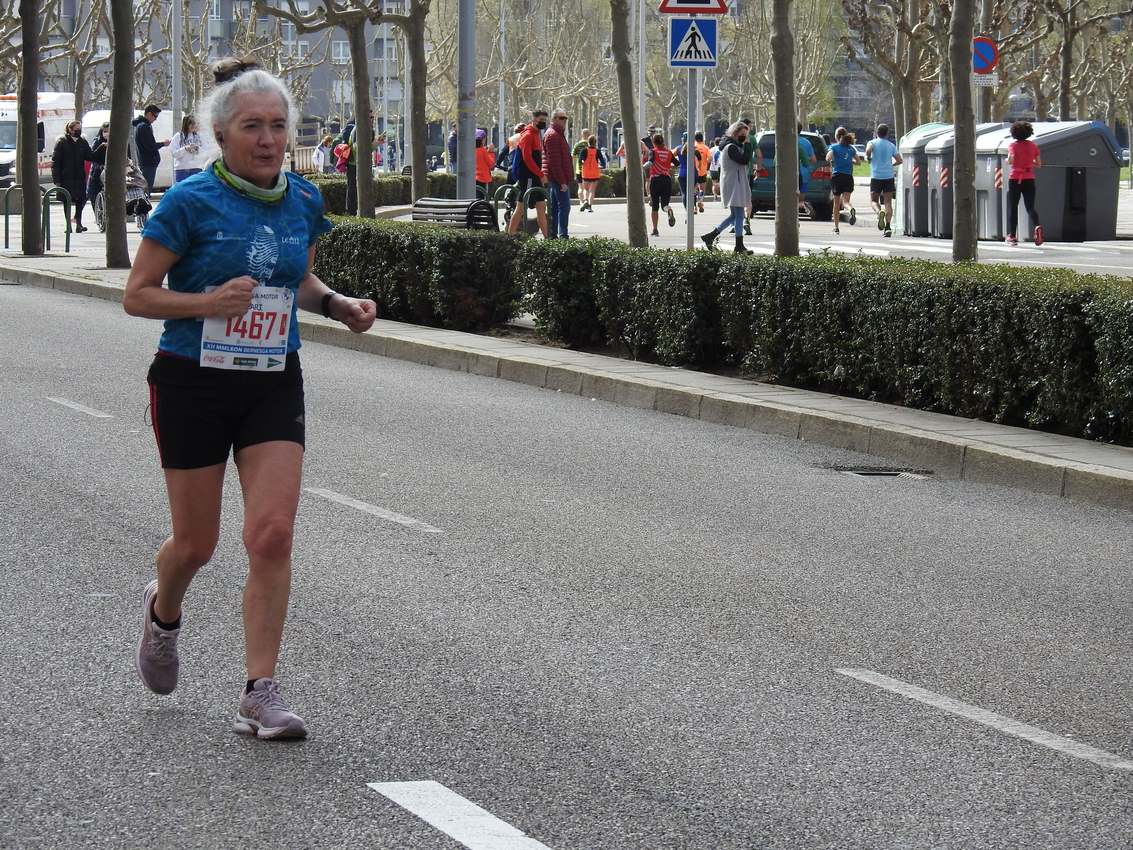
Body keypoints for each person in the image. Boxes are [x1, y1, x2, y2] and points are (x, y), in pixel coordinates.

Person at [122, 57, 377, 742]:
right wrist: (208, 300)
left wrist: (336, 304)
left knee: (271, 534)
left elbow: (297, 282)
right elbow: (137, 294)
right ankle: (163, 612)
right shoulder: (188, 203)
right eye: (251, 127)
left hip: (271, 378)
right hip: (190, 382)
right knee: (195, 545)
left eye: (277, 126)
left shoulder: (302, 199)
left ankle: (258, 692)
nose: (267, 139)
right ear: (221, 133)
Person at [700, 121, 753, 254]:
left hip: (735, 183)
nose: (745, 138)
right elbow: (744, 160)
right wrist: (748, 145)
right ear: (735, 133)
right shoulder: (731, 147)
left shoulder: (731, 146)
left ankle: (711, 236)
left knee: (735, 215)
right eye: (743, 135)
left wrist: (745, 144)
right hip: (734, 184)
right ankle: (739, 246)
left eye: (746, 135)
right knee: (739, 215)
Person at [507, 109, 549, 238]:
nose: (543, 123)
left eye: (544, 120)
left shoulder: (536, 134)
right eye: (541, 120)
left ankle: (548, 238)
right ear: (534, 120)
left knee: (541, 207)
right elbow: (527, 158)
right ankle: (510, 235)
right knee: (520, 208)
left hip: (534, 177)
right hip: (529, 177)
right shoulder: (528, 135)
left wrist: (539, 174)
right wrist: (540, 174)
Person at [1006, 120, 1043, 246]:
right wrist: (1028, 163)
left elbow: (1011, 159)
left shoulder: (1013, 145)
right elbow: (1038, 164)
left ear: (1014, 133)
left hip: (1015, 178)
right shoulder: (1033, 146)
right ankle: (1037, 226)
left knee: (1013, 207)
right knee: (1030, 207)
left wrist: (1008, 160)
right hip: (1029, 178)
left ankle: (1012, 236)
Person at [51, 119, 92, 232]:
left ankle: (78, 223)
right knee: (66, 200)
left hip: (79, 176)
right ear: (70, 130)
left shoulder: (82, 142)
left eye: (80, 129)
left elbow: (90, 156)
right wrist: (57, 180)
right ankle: (68, 225)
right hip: (66, 178)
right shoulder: (61, 142)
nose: (78, 131)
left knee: (80, 200)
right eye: (76, 129)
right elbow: (56, 162)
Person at [865, 123, 902, 237]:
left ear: (877, 133)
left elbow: (868, 151)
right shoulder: (891, 145)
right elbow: (900, 160)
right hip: (888, 177)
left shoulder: (872, 142)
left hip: (876, 177)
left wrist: (869, 158)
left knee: (873, 201)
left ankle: (878, 212)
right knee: (888, 203)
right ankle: (888, 227)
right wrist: (892, 164)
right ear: (887, 134)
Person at [542, 109, 573, 239]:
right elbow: (554, 162)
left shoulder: (557, 134)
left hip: (557, 178)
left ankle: (553, 235)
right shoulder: (553, 135)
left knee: (554, 208)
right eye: (561, 118)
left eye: (565, 118)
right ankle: (563, 235)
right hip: (557, 179)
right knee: (564, 207)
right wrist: (562, 182)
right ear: (554, 119)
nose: (564, 120)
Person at [644, 133, 678, 236]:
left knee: (655, 206)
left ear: (654, 143)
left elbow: (650, 163)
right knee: (664, 205)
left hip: (655, 180)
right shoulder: (668, 152)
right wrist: (667, 166)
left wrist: (641, 167)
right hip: (666, 180)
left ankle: (655, 229)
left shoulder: (653, 151)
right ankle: (669, 210)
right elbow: (677, 163)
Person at [132, 104, 170, 194]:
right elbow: (150, 146)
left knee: (146, 188)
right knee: (147, 189)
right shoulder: (144, 126)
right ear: (149, 114)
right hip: (148, 163)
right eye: (155, 116)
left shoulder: (141, 125)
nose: (156, 119)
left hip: (146, 162)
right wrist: (163, 144)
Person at [827, 130, 859, 234]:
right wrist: (850, 161)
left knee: (836, 204)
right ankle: (851, 210)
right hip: (848, 177)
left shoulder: (834, 147)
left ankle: (836, 227)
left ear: (836, 137)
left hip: (837, 177)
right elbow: (858, 162)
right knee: (846, 202)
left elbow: (828, 157)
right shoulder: (851, 148)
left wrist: (832, 159)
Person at [171, 115, 207, 183]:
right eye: (191, 123)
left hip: (197, 168)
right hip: (182, 169)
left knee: (196, 191)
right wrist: (185, 149)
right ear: (186, 124)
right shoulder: (178, 136)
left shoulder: (199, 136)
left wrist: (197, 148)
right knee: (182, 192)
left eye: (195, 123)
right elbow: (174, 153)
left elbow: (206, 153)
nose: (193, 125)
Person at [578, 134, 605, 212]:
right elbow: (603, 162)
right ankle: (589, 207)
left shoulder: (584, 150)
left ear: (588, 142)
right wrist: (601, 166)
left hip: (586, 172)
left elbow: (580, 160)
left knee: (585, 189)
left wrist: (582, 163)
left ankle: (585, 200)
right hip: (595, 172)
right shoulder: (598, 151)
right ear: (595, 143)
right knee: (592, 190)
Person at [87, 123, 109, 218]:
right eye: (104, 131)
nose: (106, 133)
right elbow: (92, 156)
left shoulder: (119, 141)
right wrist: (102, 147)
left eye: (108, 131)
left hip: (111, 173)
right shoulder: (98, 141)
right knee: (93, 194)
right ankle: (99, 216)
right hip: (97, 172)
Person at [796, 122, 817, 218]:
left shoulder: (785, 141)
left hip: (787, 174)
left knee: (789, 199)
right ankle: (803, 205)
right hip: (803, 174)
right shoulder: (806, 142)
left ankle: (793, 219)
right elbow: (813, 160)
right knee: (800, 198)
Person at [694, 131, 711, 212]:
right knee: (702, 189)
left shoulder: (693, 146)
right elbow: (710, 159)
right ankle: (700, 201)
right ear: (702, 138)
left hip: (694, 171)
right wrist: (705, 163)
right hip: (703, 171)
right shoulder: (706, 148)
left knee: (694, 188)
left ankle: (694, 207)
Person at [475, 130, 494, 198]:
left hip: (472, 177)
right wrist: (491, 152)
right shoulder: (482, 150)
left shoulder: (470, 150)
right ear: (483, 139)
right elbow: (491, 164)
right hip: (482, 178)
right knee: (481, 197)